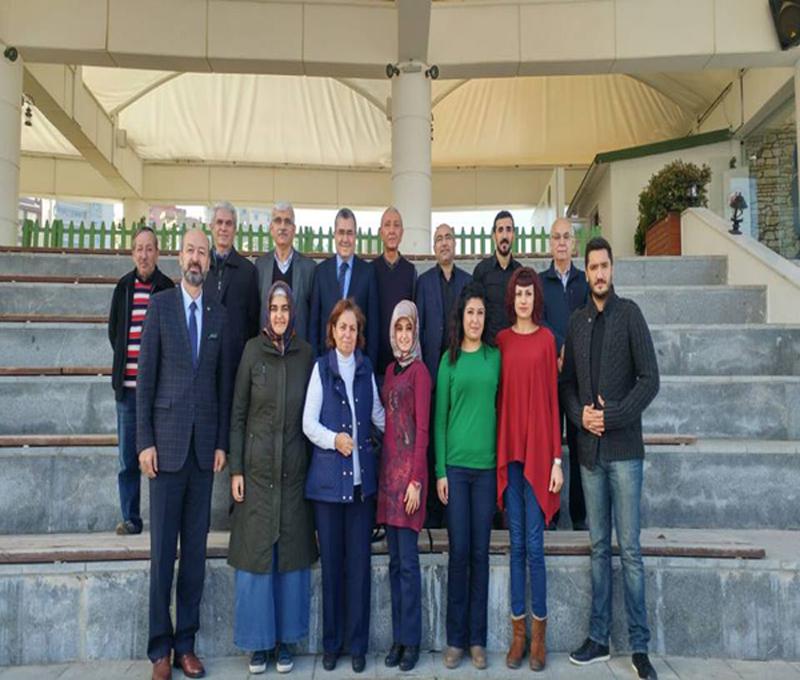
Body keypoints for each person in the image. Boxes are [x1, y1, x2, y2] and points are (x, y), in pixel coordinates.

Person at [561, 237, 660, 680]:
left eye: (605, 266)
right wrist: (580, 415)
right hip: (589, 454)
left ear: (613, 269)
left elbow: (650, 379)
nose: (599, 274)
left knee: (631, 550)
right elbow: (566, 385)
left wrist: (612, 414)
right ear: (585, 273)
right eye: (593, 267)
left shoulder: (630, 314)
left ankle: (640, 647)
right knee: (599, 546)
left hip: (624, 453)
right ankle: (598, 638)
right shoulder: (577, 322)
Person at [137, 228, 232, 680]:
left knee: (194, 554)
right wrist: (144, 442)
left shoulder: (218, 314)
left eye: (203, 252)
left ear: (209, 262)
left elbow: (222, 386)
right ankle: (160, 649)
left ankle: (186, 645)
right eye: (191, 250)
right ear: (179, 257)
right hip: (166, 450)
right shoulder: (160, 307)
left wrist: (221, 443)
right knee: (162, 556)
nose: (196, 258)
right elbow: (144, 381)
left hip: (202, 454)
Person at [228, 281, 318, 676]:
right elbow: (238, 415)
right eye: (274, 308)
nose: (280, 315)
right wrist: (236, 468)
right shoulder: (252, 351)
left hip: (293, 473)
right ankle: (258, 644)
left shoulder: (306, 354)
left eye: (285, 308)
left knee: (290, 557)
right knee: (257, 558)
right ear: (267, 312)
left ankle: (285, 642)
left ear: (292, 312)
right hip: (257, 473)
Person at [302, 299, 385, 674]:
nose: (347, 334)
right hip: (328, 489)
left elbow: (378, 415)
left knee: (359, 569)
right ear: (332, 331)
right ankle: (332, 644)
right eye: (342, 327)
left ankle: (358, 645)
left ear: (358, 333)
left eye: (353, 328)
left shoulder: (366, 369)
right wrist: (334, 440)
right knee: (333, 569)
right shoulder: (321, 368)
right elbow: (308, 423)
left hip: (361, 489)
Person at [495, 267, 563, 671]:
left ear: (536, 298)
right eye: (518, 294)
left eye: (528, 293)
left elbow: (553, 402)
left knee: (535, 548)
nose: (523, 300)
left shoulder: (547, 340)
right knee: (516, 545)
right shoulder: (501, 341)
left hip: (538, 456)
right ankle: (517, 635)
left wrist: (556, 459)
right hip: (511, 457)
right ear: (512, 298)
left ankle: (539, 637)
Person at [435, 282, 500, 671]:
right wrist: (440, 471)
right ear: (460, 318)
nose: (475, 320)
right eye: (469, 313)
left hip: (487, 469)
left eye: (480, 313)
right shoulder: (450, 360)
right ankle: (455, 639)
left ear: (485, 318)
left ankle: (478, 640)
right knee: (459, 553)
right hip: (457, 471)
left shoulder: (495, 359)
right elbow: (440, 420)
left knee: (480, 553)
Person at [108, 226, 174, 536]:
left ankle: (163, 517)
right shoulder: (123, 287)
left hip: (158, 392)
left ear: (157, 253)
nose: (144, 255)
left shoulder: (167, 288)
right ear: (132, 253)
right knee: (127, 460)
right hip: (128, 391)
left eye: (149, 249)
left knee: (162, 458)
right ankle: (131, 518)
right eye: (139, 249)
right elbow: (114, 332)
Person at [377, 300, 431, 673]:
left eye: (409, 328)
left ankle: (412, 641)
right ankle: (398, 638)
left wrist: (416, 481)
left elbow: (423, 430)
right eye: (398, 328)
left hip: (410, 481)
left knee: (409, 565)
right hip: (388, 479)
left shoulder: (420, 373)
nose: (404, 335)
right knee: (394, 563)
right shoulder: (389, 370)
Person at [415, 223, 471, 528]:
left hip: (461, 376)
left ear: (455, 243)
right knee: (432, 443)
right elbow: (419, 330)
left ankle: (454, 510)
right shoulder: (423, 282)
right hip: (433, 377)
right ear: (434, 247)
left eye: (448, 237)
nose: (444, 243)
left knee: (456, 442)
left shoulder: (468, 281)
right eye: (439, 239)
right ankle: (433, 513)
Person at [541, 217, 589, 530]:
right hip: (550, 374)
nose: (561, 242)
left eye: (566, 237)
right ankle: (552, 513)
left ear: (573, 243)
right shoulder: (540, 282)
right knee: (550, 446)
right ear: (550, 243)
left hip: (579, 377)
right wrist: (559, 346)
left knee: (578, 443)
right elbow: (538, 319)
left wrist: (569, 349)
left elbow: (588, 319)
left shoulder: (585, 282)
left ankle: (579, 515)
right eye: (556, 237)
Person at [309, 208, 379, 367]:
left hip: (358, 364)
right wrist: (317, 363)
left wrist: (369, 366)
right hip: (327, 363)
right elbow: (314, 325)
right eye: (341, 232)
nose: (345, 239)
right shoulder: (320, 272)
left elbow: (373, 327)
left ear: (355, 236)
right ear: (334, 235)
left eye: (349, 233)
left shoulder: (368, 272)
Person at [203, 200, 260, 374]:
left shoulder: (248, 271)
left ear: (235, 229)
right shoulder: (200, 267)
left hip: (236, 362)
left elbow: (253, 321)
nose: (223, 228)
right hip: (204, 359)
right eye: (219, 222)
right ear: (211, 227)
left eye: (228, 223)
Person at [254, 202, 316, 342]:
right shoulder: (260, 266)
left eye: (287, 222)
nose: (282, 227)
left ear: (294, 230)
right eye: (278, 221)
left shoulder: (309, 268)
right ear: (271, 228)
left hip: (298, 348)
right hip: (267, 347)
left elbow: (313, 317)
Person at [372, 207, 417, 379]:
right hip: (376, 363)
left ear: (402, 233)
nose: (392, 230)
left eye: (396, 225)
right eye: (387, 225)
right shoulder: (370, 270)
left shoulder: (410, 271)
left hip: (404, 365)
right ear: (381, 232)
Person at [471, 210, 521, 344]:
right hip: (488, 345)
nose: (504, 235)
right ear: (494, 236)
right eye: (500, 230)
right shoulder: (481, 271)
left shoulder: (520, 272)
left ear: (514, 235)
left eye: (508, 230)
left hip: (515, 344)